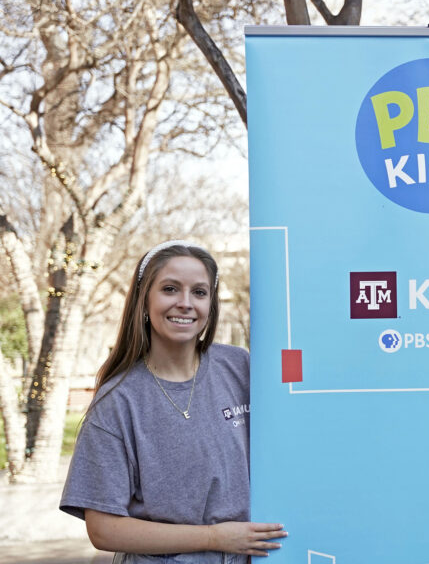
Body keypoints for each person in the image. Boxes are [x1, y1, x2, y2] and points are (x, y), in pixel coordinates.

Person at [60, 240, 287, 563]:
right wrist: (214, 537)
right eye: (170, 289)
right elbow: (103, 530)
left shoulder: (239, 367)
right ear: (144, 301)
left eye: (199, 292)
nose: (185, 303)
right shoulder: (118, 401)